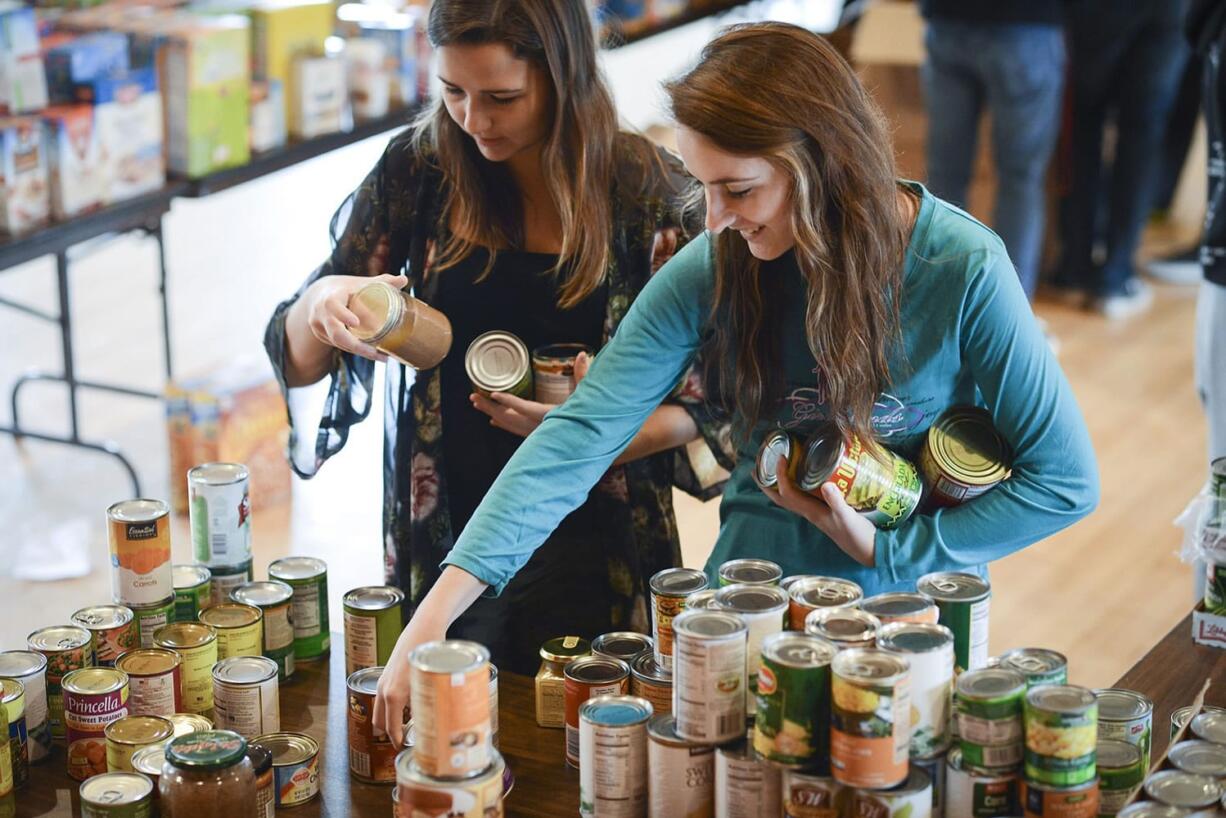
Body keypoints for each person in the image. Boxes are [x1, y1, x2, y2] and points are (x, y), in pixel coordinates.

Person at [373, 22, 1100, 744]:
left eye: (739, 189)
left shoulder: (961, 267)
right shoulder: (717, 263)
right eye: (703, 187)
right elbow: (578, 436)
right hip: (744, 614)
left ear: (823, 163)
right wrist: (430, 620)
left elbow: (1062, 484)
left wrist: (889, 551)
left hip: (904, 624)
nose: (715, 220)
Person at [264, 0, 731, 675]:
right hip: (448, 522)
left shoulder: (651, 198)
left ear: (564, 75)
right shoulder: (421, 174)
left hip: (596, 536)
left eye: (502, 98)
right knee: (448, 725)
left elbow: (721, 402)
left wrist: (590, 433)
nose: (473, 120)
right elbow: (297, 362)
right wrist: (319, 307)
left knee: (590, 738)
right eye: (453, 91)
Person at [919, 0, 1067, 300]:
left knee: (945, 175)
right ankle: (1010, 310)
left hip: (948, 19)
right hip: (1025, 22)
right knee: (1020, 178)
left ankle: (939, 304)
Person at [1053, 0, 1192, 318]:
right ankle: (1115, 275)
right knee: (1141, 134)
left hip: (1094, 13)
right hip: (1166, 12)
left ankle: (1074, 264)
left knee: (1084, 128)